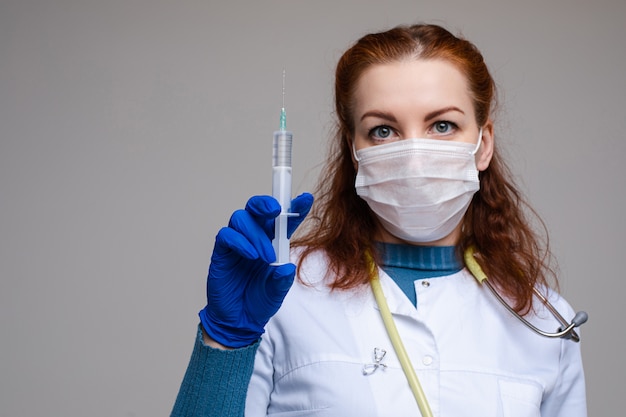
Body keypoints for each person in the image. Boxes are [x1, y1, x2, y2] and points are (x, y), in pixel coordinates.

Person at [171, 23, 587, 416]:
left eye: (442, 125)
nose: (415, 156)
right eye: (383, 131)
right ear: (354, 149)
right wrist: (223, 345)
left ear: (483, 144)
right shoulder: (279, 291)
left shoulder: (544, 321)